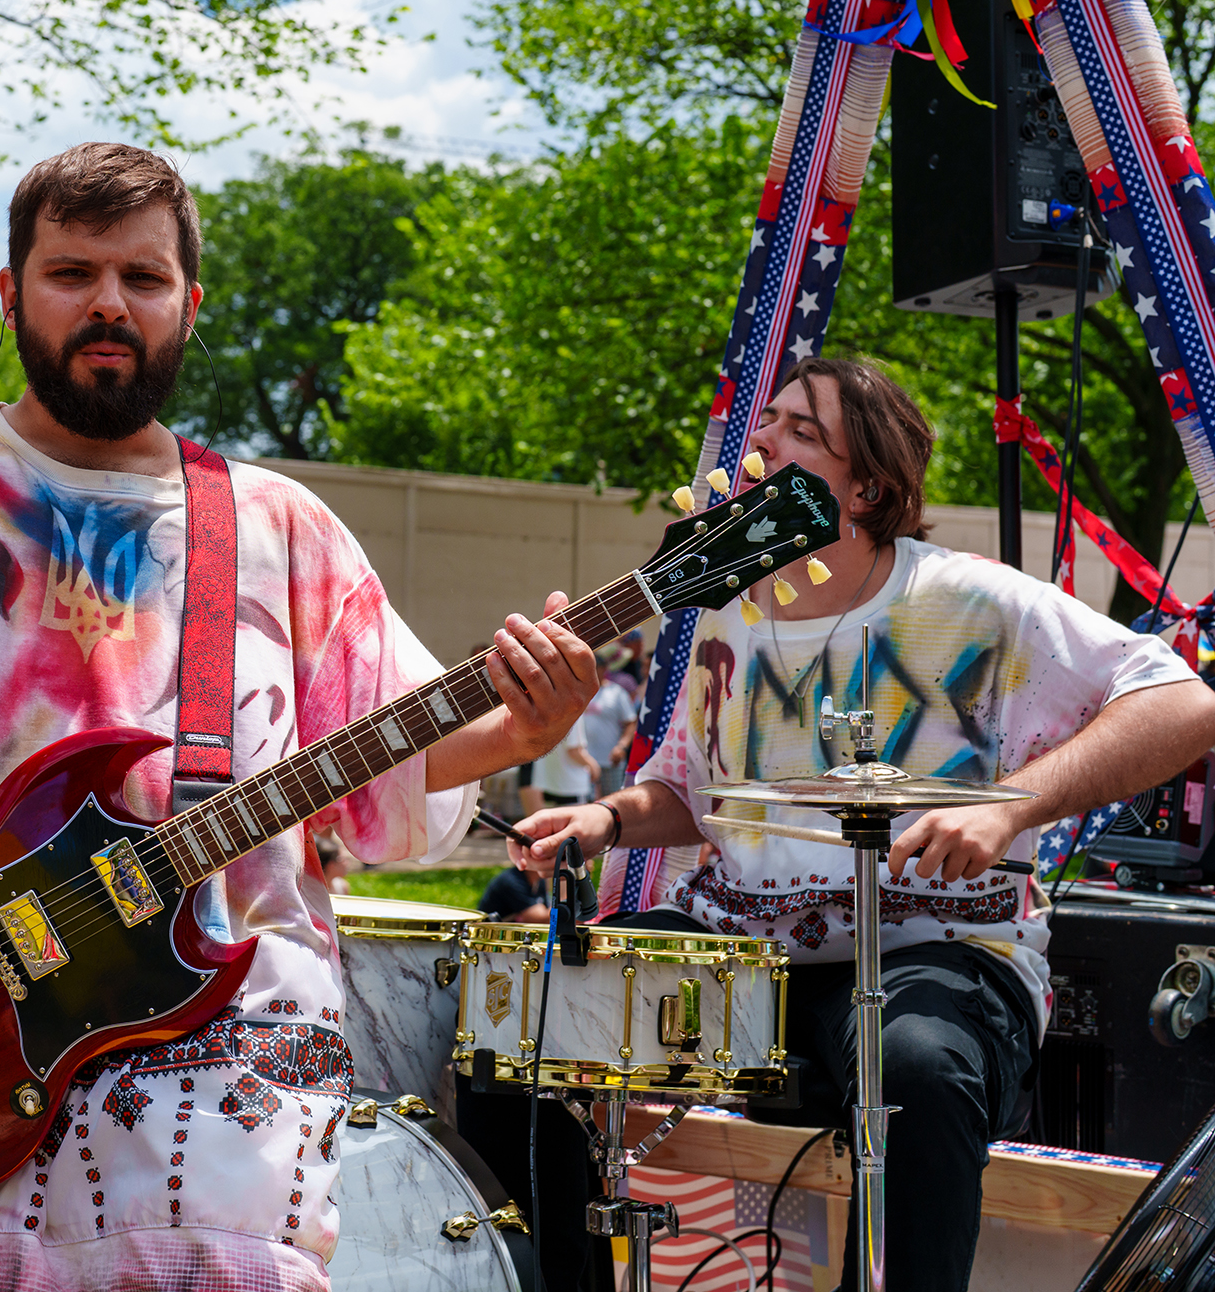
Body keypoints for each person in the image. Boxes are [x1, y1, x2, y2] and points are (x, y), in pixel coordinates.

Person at [0, 153, 596, 1292]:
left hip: (228, 1092)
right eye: (71, 271)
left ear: (188, 304)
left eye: (142, 275)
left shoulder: (279, 526)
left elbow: (395, 768)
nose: (107, 302)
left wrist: (525, 726)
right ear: (9, 292)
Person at [513, 356, 1215, 1292]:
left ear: (867, 485)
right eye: (765, 423)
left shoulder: (975, 600)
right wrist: (601, 817)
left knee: (915, 1072)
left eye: (803, 431)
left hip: (942, 948)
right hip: (742, 953)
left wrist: (1015, 805)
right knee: (527, 1034)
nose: (764, 441)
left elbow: (1181, 703)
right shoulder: (733, 612)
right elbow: (694, 790)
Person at [584, 647, 636, 799]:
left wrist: (621, 746)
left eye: (595, 667)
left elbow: (631, 722)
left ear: (604, 669)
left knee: (612, 801)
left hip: (610, 760)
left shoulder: (616, 692)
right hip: (585, 760)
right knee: (586, 804)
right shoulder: (581, 692)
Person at [527, 715, 597, 814]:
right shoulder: (574, 710)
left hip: (548, 784)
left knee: (553, 827)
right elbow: (574, 750)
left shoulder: (544, 708)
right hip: (571, 786)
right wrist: (593, 766)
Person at [477, 863, 548, 922]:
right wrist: (559, 881)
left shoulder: (539, 881)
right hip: (490, 933)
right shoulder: (512, 880)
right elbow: (538, 917)